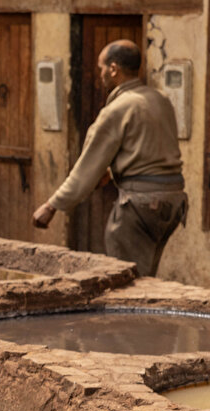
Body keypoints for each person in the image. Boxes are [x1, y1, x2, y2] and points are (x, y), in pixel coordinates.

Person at [33, 40, 186, 276]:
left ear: (113, 69)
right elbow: (149, 151)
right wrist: (112, 173)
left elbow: (85, 170)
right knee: (146, 275)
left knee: (125, 278)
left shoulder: (117, 109)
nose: (100, 74)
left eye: (101, 68)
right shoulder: (161, 100)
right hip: (174, 202)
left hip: (141, 204)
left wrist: (51, 206)